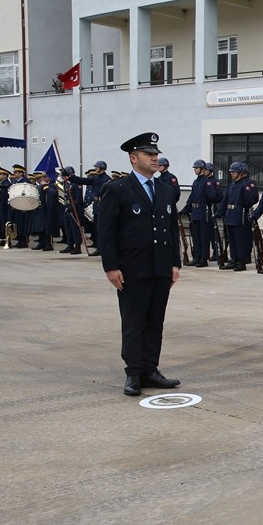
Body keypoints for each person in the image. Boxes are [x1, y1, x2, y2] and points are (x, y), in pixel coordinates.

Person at [97, 131, 182, 396]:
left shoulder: (167, 191)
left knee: (155, 321)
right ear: (134, 159)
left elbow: (170, 229)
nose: (155, 158)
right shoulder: (117, 189)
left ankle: (150, 369)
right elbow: (106, 231)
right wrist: (110, 266)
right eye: (149, 154)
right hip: (132, 269)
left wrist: (175, 264)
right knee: (134, 321)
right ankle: (133, 371)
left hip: (160, 267)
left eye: (156, 154)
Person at [185, 159, 217, 267]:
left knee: (204, 237)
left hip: (204, 212)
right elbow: (192, 197)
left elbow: (212, 196)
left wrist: (205, 204)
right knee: (196, 236)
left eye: (196, 168)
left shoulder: (206, 182)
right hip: (195, 212)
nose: (195, 170)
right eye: (194, 168)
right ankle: (197, 256)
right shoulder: (196, 182)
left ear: (202, 169)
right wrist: (185, 209)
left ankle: (204, 258)